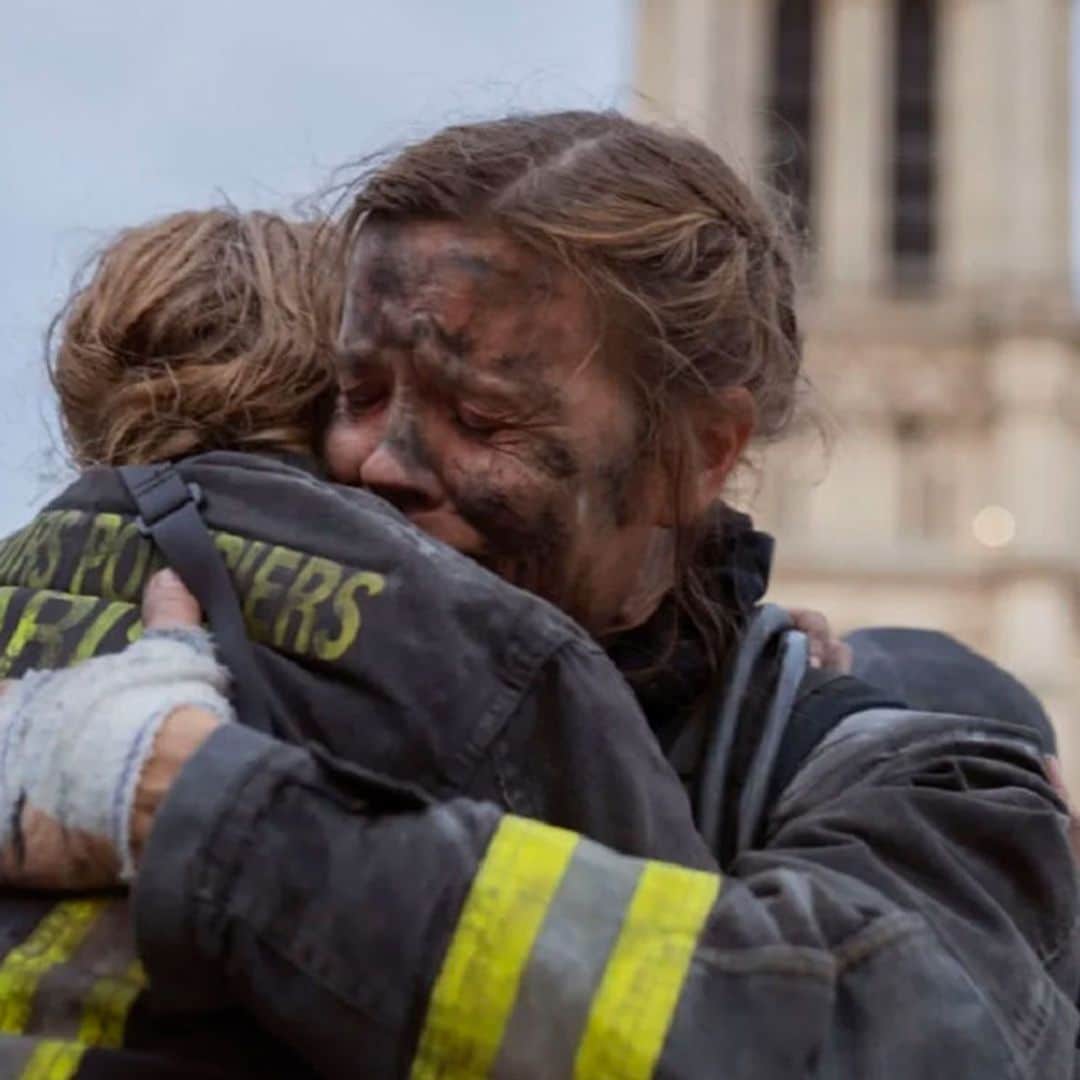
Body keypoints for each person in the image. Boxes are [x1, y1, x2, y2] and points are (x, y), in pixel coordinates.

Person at [3, 110, 1077, 1078]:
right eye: (357, 394)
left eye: (482, 419)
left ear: (696, 454)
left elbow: (864, 1044)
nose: (380, 461)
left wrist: (207, 809)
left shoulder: (934, 790)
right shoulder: (170, 679)